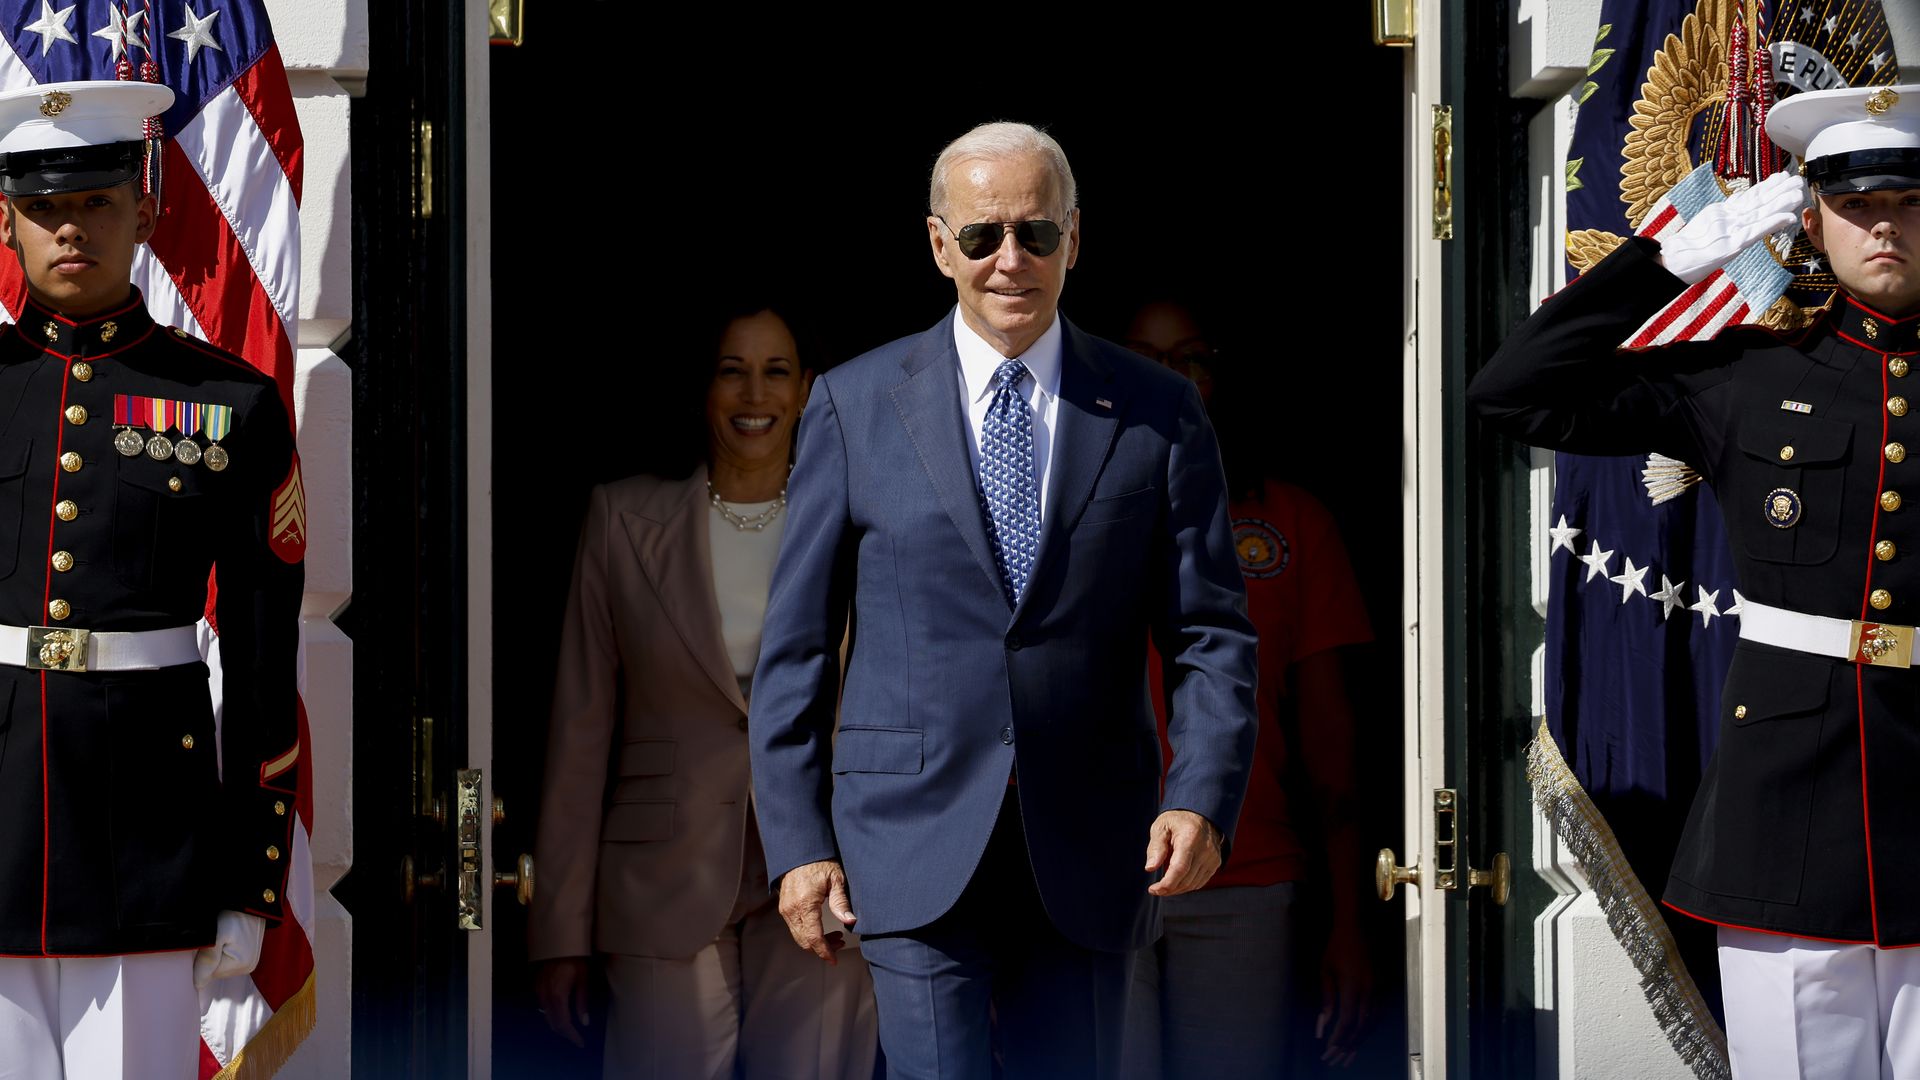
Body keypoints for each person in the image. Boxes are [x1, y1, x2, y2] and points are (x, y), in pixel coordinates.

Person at [748, 121, 1259, 1078]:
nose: (1010, 261)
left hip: (1095, 844)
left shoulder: (1156, 409)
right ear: (940, 245)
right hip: (909, 840)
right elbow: (797, 651)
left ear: (1077, 237)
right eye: (982, 237)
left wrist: (1202, 796)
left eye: (1037, 233)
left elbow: (1210, 633)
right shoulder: (854, 407)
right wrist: (798, 844)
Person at [1469, 83, 1920, 1077]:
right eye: (1857, 204)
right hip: (1789, 820)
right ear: (1814, 219)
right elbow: (1511, 392)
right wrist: (1662, 262)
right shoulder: (1749, 376)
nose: (1883, 225)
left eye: (1908, 203)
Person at [0, 82, 304, 1079]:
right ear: (8, 220)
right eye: (46, 208)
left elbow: (263, 658)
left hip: (148, 839)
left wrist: (252, 879)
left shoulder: (228, 402)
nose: (70, 229)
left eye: (95, 201)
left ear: (145, 207)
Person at [528, 302, 878, 1080]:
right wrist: (559, 928)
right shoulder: (623, 519)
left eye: (776, 371)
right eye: (733, 370)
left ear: (808, 389)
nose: (755, 393)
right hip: (664, 875)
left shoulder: (859, 522)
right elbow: (580, 732)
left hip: (829, 866)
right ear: (704, 389)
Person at [1120, 301, 1374, 1076]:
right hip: (1094, 873)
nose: (1170, 380)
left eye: (1190, 356)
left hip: (1246, 875)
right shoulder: (1059, 510)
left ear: (1219, 373)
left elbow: (1332, 748)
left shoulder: (1290, 520)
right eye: (1144, 358)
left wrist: (1351, 923)